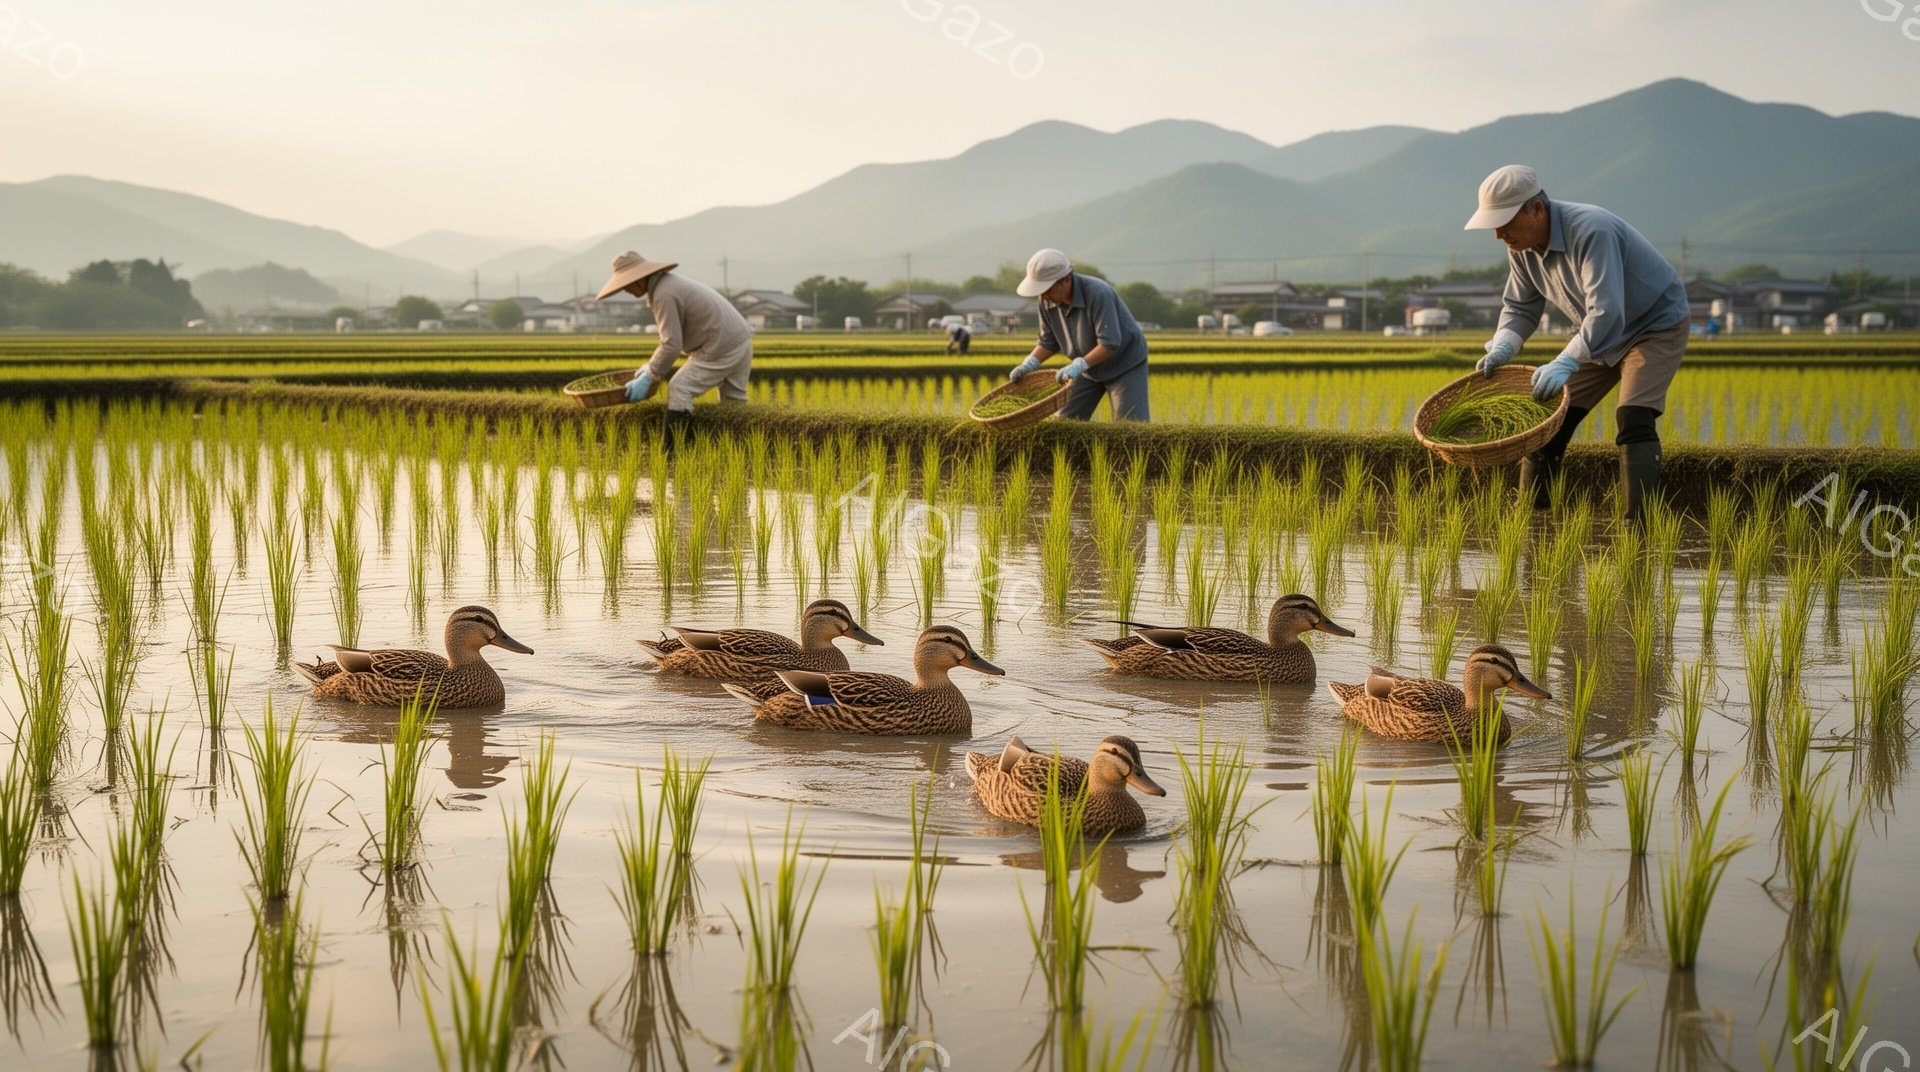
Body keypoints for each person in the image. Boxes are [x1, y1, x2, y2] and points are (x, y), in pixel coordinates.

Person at [1466, 165, 1689, 524]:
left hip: (1653, 325)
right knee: (1547, 419)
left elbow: (1607, 311)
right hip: (1596, 331)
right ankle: (1532, 520)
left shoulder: (1591, 229)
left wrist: (1565, 361)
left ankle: (1639, 527)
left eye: (1504, 222)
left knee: (1633, 416)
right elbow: (1521, 306)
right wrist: (1504, 344)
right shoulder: (1520, 244)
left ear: (1536, 209)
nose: (1498, 234)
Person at [597, 250, 753, 448]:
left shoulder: (664, 294)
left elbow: (671, 344)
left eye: (626, 283)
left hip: (720, 346)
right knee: (734, 402)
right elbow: (673, 341)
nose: (625, 289)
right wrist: (650, 367)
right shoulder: (669, 285)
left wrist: (650, 374)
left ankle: (675, 454)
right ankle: (740, 452)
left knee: (680, 387)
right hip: (740, 340)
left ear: (639, 278)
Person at [1005, 249, 1150, 421]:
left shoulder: (1098, 293)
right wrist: (1029, 364)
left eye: (1047, 289)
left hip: (1124, 364)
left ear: (1065, 280)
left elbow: (1109, 343)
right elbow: (1048, 341)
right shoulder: (1046, 300)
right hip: (1086, 368)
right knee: (1065, 421)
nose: (1043, 295)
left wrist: (1079, 365)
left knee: (1130, 426)